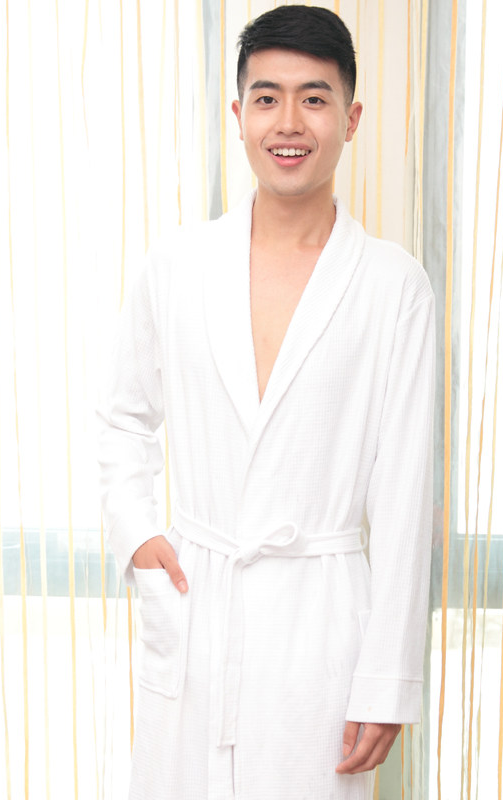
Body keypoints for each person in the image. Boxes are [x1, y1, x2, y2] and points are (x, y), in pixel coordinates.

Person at [98, 5, 435, 798]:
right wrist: (139, 533)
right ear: (239, 114)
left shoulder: (394, 287)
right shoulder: (177, 266)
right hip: (198, 606)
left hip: (322, 627)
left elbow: (404, 493)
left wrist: (385, 679)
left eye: (315, 98)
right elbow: (123, 415)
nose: (289, 122)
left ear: (351, 118)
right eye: (267, 97)